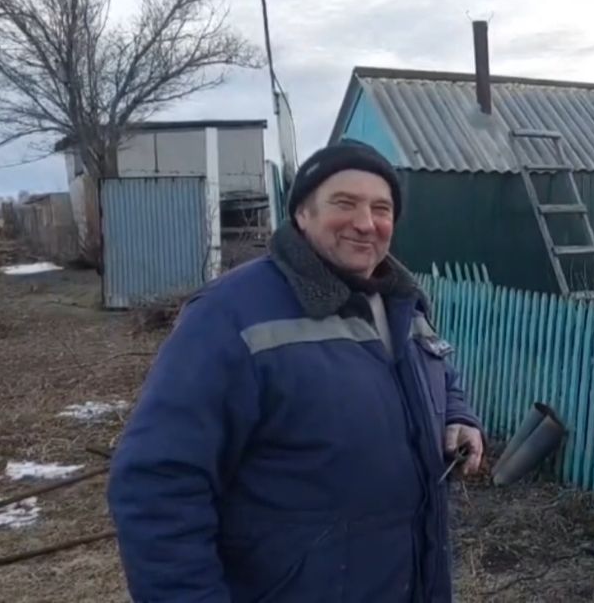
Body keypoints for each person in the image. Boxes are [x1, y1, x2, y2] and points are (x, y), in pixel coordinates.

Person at [106, 140, 485, 602]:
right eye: (344, 203)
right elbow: (156, 483)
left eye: (381, 208)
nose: (366, 223)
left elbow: (433, 371)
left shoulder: (402, 300)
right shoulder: (231, 315)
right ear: (302, 214)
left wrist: (457, 415)